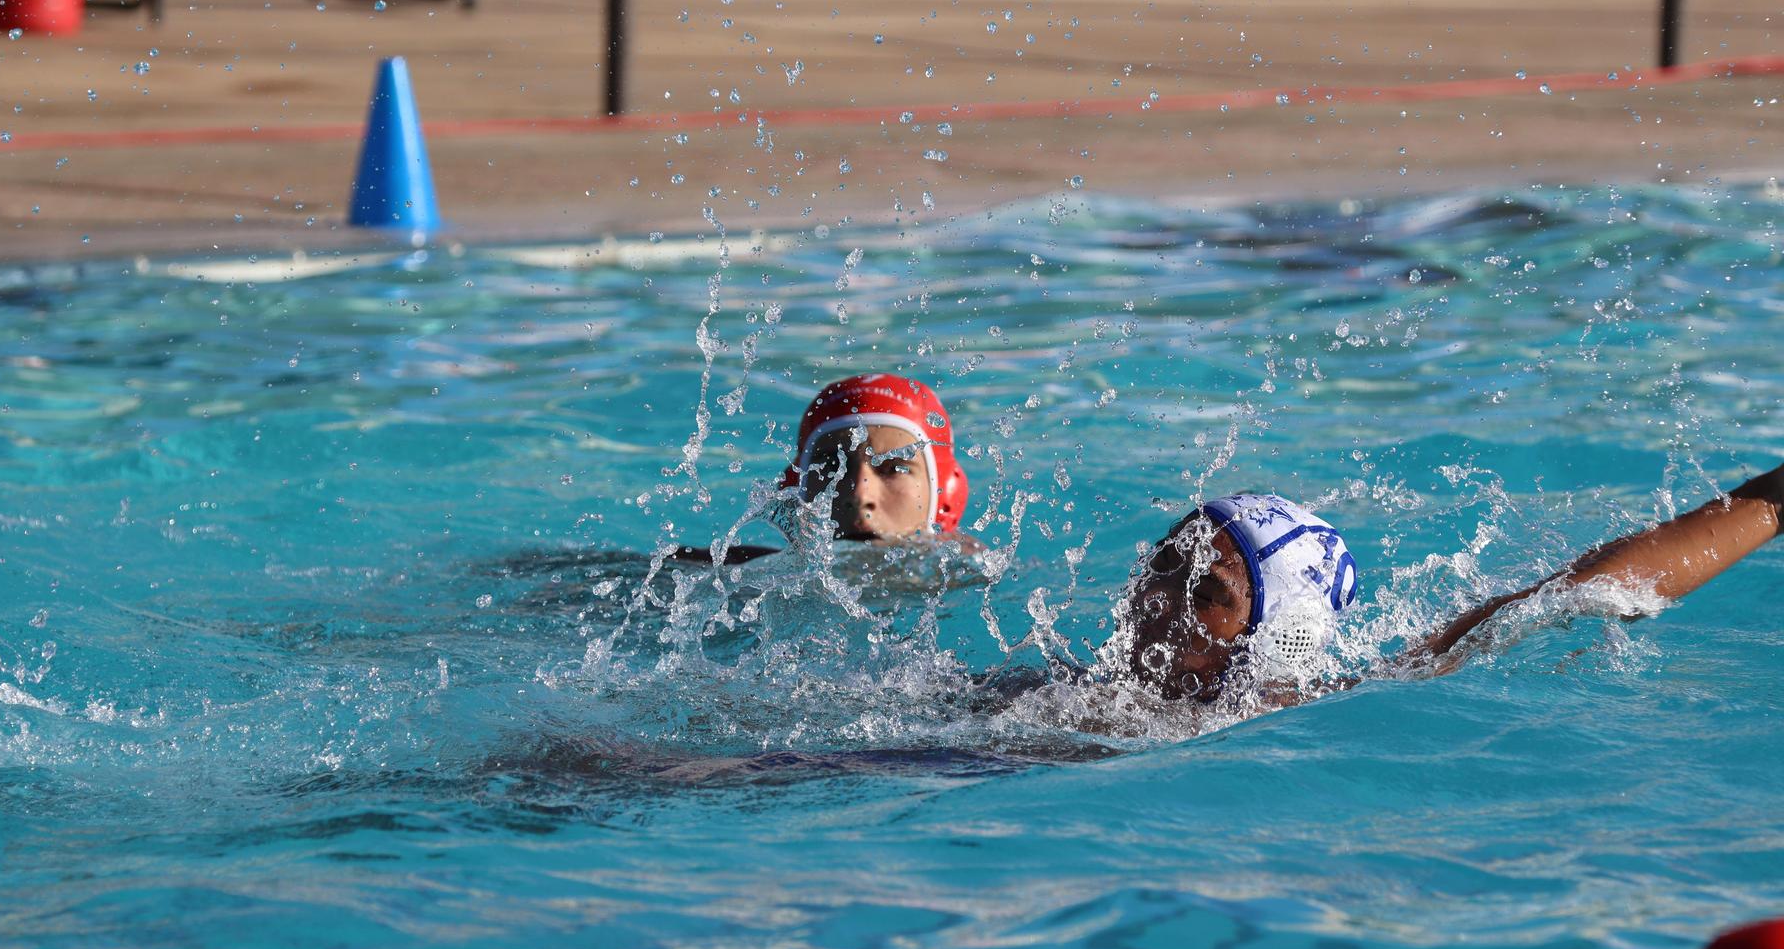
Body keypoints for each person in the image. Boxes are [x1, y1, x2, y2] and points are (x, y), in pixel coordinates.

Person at [1117, 464, 1784, 703]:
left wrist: (1775, 502)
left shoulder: (1311, 710)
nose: (1157, 600)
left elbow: (1583, 589)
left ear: (1275, 641)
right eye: (1165, 564)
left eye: (1208, 595)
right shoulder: (1045, 693)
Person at [673, 372, 975, 564]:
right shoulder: (742, 578)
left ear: (946, 495)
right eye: (832, 465)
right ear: (796, 489)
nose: (858, 494)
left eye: (894, 468)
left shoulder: (979, 584)